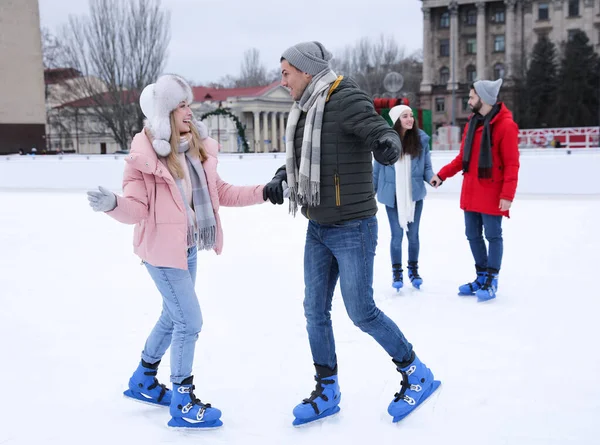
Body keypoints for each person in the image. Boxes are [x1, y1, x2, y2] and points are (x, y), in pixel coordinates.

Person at [263, 41, 440, 426]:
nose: (283, 81)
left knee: (361, 311)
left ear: (306, 70)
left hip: (353, 225)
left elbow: (381, 131)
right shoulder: (306, 107)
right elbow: (302, 156)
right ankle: (327, 388)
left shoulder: (345, 97)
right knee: (314, 311)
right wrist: (282, 177)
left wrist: (387, 145)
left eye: (286, 73)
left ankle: (416, 373)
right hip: (318, 225)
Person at [86, 74, 267, 429]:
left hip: (188, 248)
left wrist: (266, 191)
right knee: (189, 321)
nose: (189, 110)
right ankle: (183, 401)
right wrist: (113, 204)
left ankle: (144, 379)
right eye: (181, 105)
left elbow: (222, 194)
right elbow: (137, 210)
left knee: (173, 317)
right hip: (160, 253)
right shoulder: (143, 159)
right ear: (164, 113)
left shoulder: (195, 151)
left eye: (188, 103)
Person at [430, 79, 520, 302]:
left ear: (484, 99)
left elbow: (511, 164)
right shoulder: (472, 124)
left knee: (493, 235)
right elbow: (462, 159)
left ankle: (492, 278)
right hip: (471, 190)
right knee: (472, 235)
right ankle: (481, 276)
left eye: (471, 97)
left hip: (492, 192)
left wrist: (507, 195)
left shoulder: (506, 126)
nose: (468, 101)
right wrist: (441, 175)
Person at [373, 104, 434, 291]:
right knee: (397, 236)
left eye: (411, 116)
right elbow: (376, 171)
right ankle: (397, 272)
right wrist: (371, 193)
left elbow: (427, 167)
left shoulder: (421, 141)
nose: (410, 119)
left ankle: (413, 271)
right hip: (392, 197)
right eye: (405, 116)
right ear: (397, 121)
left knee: (413, 236)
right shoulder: (384, 143)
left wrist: (432, 178)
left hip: (414, 196)